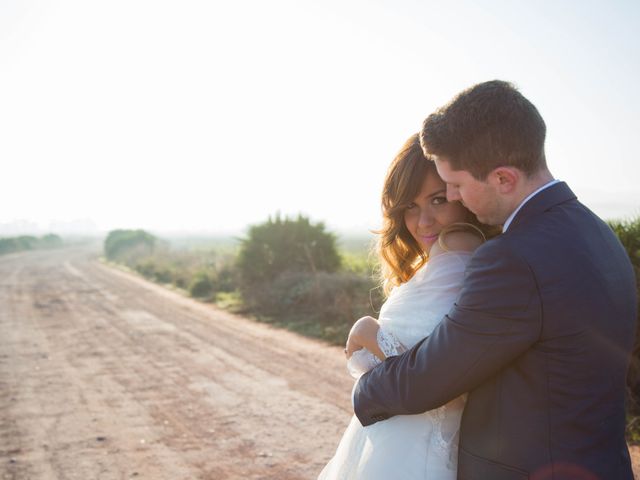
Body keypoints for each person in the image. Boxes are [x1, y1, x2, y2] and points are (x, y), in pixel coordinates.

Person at [353, 80, 638, 479]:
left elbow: (430, 378)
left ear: (503, 178)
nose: (453, 197)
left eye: (455, 184)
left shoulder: (512, 259)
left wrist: (362, 389)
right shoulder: (597, 232)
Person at [319, 133, 495, 479]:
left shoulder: (457, 247)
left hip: (413, 446)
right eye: (410, 206)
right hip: (398, 437)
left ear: (461, 194)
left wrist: (369, 331)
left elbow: (438, 381)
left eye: (438, 200)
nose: (423, 221)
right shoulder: (447, 257)